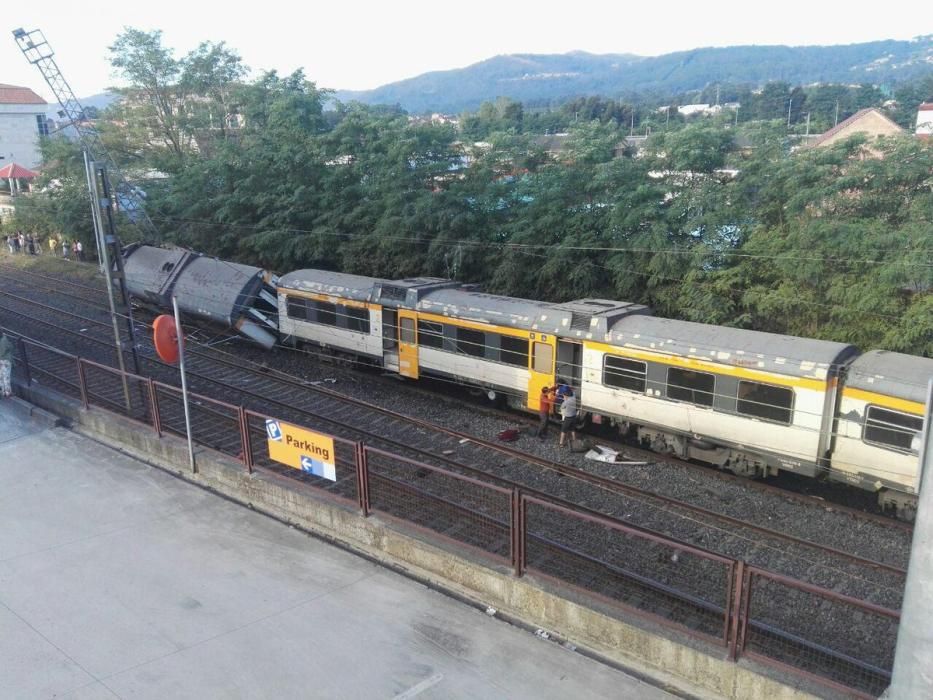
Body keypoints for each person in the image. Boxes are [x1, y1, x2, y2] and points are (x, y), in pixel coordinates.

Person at [0, 333, 13, 398]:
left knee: (1, 376)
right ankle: (8, 393)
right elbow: (11, 347)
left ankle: (3, 391)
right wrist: (5, 337)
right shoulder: (4, 340)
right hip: (6, 360)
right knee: (6, 376)